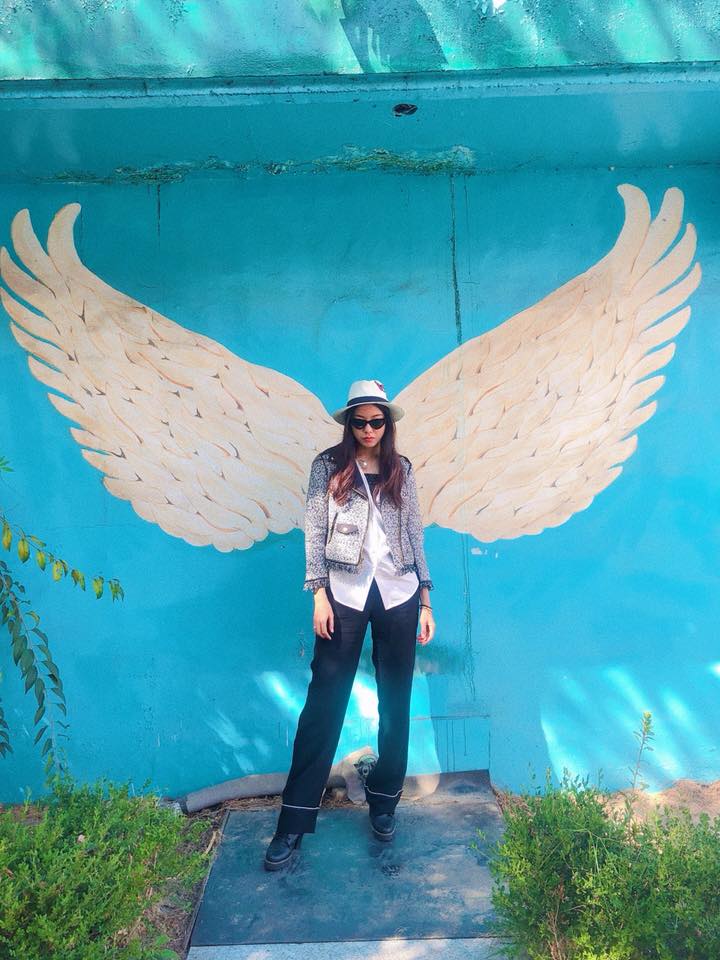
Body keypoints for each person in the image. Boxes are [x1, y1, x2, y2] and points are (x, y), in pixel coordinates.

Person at [264, 379, 435, 871]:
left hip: (399, 592)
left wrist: (426, 599)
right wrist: (317, 593)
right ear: (349, 423)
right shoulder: (328, 466)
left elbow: (415, 532)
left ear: (387, 422)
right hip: (343, 592)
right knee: (324, 704)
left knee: (396, 703)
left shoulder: (402, 468)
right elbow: (314, 529)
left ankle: (384, 801)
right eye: (359, 422)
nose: (367, 429)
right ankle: (293, 822)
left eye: (376, 421)